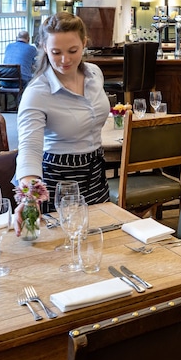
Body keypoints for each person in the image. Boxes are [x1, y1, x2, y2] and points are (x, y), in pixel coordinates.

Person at [14, 13, 110, 233]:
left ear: (84, 43)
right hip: (59, 178)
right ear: (44, 47)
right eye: (56, 52)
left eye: (72, 51)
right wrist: (29, 197)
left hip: (96, 172)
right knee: (63, 241)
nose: (65, 60)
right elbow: (29, 148)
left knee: (100, 237)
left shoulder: (95, 74)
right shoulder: (37, 92)